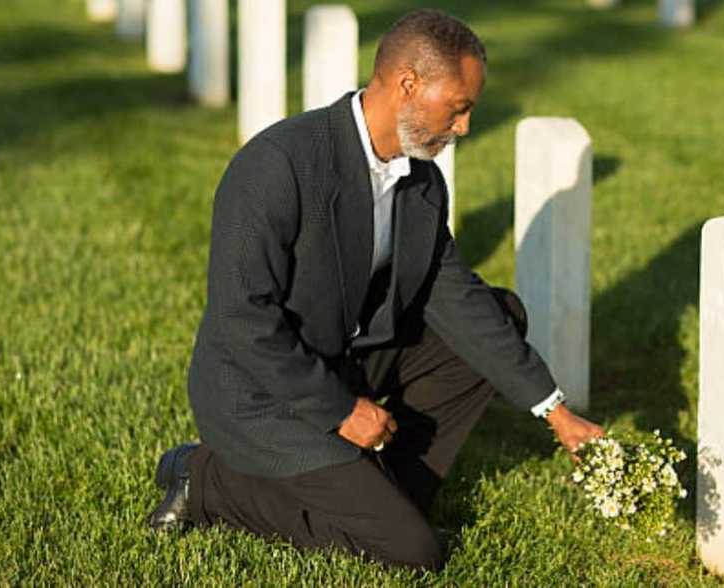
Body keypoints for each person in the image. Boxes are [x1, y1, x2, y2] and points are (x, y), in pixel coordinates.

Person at [146, 9, 604, 571]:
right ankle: (205, 479)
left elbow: (452, 294)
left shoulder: (422, 181)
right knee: (412, 551)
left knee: (497, 313)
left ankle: (390, 486)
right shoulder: (278, 166)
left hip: (344, 351)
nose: (463, 127)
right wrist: (340, 412)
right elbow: (243, 320)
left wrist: (553, 409)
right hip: (259, 391)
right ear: (408, 84)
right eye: (458, 108)